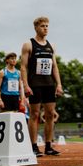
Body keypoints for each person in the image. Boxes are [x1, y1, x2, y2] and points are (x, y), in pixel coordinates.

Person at [21, 16, 64, 157]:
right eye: (42, 26)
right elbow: (23, 67)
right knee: (34, 115)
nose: (45, 28)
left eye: (47, 26)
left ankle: (48, 146)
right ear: (36, 28)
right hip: (35, 84)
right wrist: (26, 85)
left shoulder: (51, 46)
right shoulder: (28, 44)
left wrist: (59, 84)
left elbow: (55, 67)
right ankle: (33, 146)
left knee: (50, 115)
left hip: (49, 84)